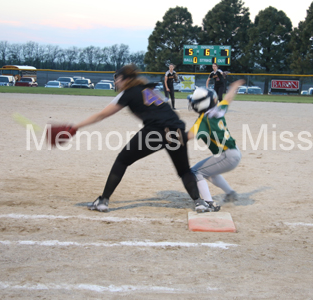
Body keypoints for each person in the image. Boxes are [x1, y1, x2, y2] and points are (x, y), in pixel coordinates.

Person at [69, 64, 213, 213]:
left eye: (118, 78)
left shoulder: (128, 92)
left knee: (122, 160)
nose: (116, 82)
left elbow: (101, 115)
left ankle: (103, 201)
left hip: (155, 132)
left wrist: (75, 127)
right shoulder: (151, 90)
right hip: (176, 130)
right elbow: (162, 110)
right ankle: (199, 202)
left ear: (127, 79)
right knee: (184, 171)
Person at [188, 80, 245, 208]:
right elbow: (228, 98)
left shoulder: (203, 120)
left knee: (195, 172)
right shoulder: (218, 110)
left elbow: (187, 136)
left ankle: (209, 203)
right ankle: (230, 193)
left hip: (227, 155)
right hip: (234, 152)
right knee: (209, 172)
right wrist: (234, 86)